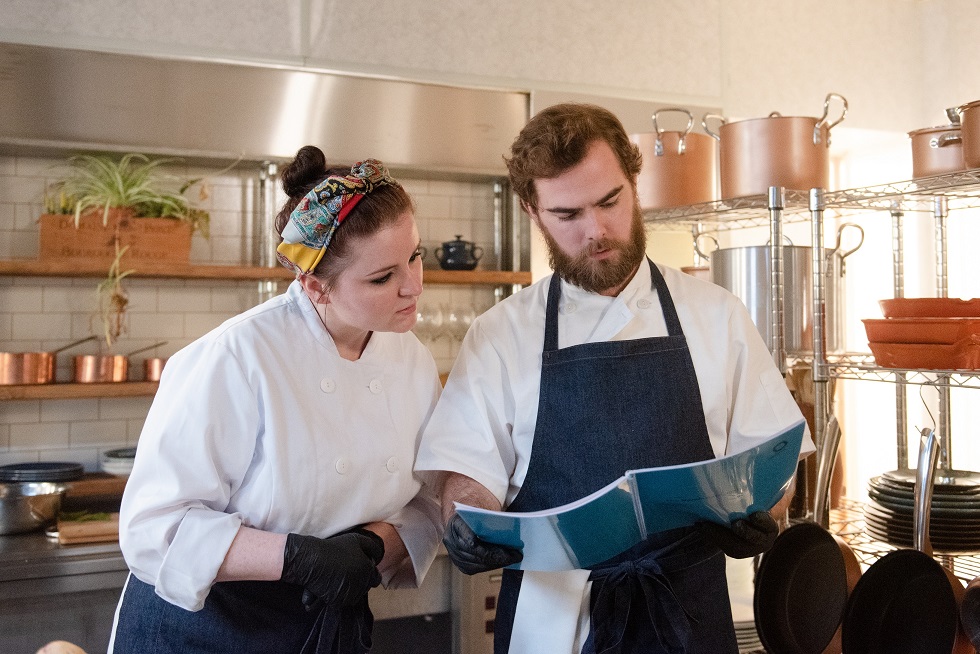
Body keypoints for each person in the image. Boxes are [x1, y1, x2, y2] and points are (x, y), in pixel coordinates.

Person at [415, 103, 815, 654]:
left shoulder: (717, 314)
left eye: (609, 201)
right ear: (534, 211)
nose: (596, 231)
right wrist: (464, 521)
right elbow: (465, 472)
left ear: (634, 180)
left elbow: (773, 460)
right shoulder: (500, 333)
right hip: (551, 621)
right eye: (568, 214)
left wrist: (763, 513)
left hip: (687, 615)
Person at [109, 147, 443, 654]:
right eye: (382, 277)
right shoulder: (237, 357)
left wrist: (375, 545)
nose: (413, 287)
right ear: (316, 287)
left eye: (415, 256)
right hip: (206, 628)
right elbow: (153, 530)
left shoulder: (412, 360)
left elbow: (427, 498)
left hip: (325, 624)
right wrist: (295, 559)